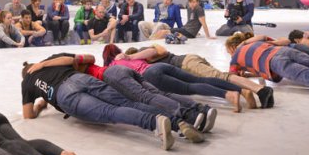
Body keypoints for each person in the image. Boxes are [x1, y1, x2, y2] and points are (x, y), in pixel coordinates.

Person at [21, 53, 177, 150]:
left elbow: (28, 115)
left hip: (65, 95)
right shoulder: (48, 60)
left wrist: (40, 105)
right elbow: (71, 59)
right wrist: (44, 64)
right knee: (127, 103)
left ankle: (155, 123)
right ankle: (175, 121)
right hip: (80, 78)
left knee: (110, 112)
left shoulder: (27, 81)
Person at [80, 50, 212, 141]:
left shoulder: (79, 71)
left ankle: (189, 116)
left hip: (110, 75)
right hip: (126, 71)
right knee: (158, 93)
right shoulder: (112, 62)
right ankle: (200, 110)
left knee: (146, 97)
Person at [106, 44, 248, 112]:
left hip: (149, 75)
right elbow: (153, 51)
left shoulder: (112, 66)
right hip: (159, 66)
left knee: (188, 88)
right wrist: (130, 56)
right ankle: (239, 90)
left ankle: (229, 95)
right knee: (198, 80)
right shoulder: (130, 56)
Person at [140, 42, 274, 109]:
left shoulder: (142, 53)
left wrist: (131, 56)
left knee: (221, 77)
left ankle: (260, 90)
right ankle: (247, 92)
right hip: (189, 59)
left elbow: (159, 49)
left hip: (186, 63)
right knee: (218, 76)